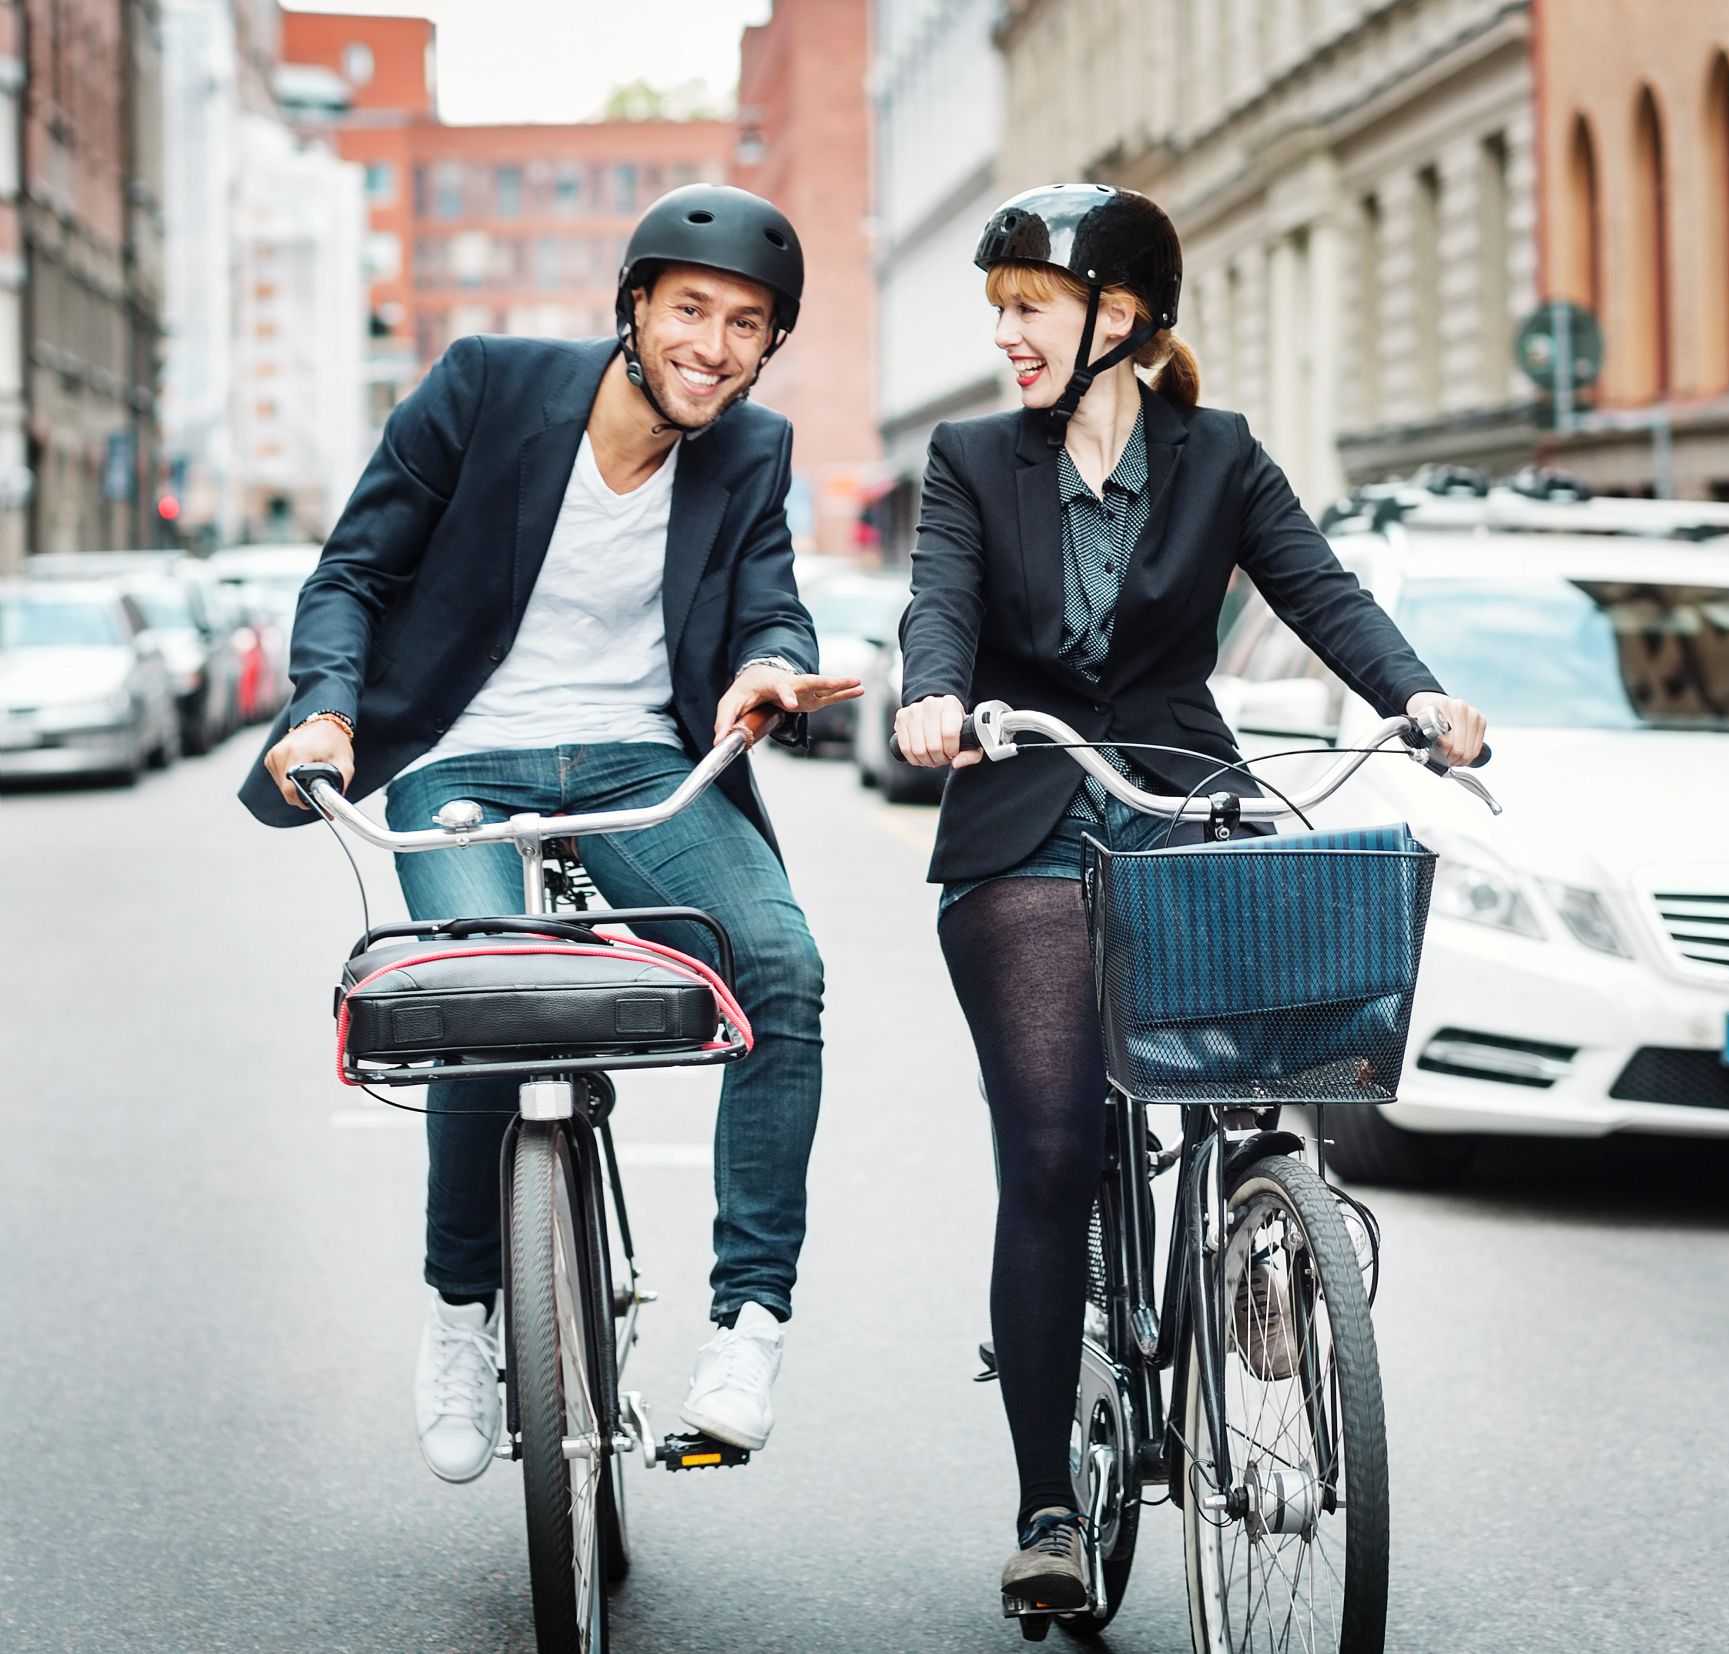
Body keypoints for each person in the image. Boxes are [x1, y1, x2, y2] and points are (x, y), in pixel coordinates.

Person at [894, 182, 1487, 1609]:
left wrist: (1419, 695)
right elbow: (940, 604)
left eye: (1029, 310)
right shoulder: (974, 460)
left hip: (1175, 789)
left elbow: (1319, 591)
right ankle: (1049, 1504)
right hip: (1024, 815)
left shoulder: (1219, 457)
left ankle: (1260, 1231)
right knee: (1050, 1151)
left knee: (1259, 1055)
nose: (1008, 337)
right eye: (1001, 313)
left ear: (1121, 318)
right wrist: (933, 699)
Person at [241, 185, 858, 1483]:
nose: (716, 344)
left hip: (639, 754)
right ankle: (462, 1304)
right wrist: (327, 713)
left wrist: (766, 672)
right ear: (633, 307)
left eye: (749, 324)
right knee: (475, 994)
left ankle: (750, 1320)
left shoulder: (752, 449)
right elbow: (353, 569)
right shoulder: (486, 388)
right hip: (460, 747)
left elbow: (769, 602)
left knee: (780, 965)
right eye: (691, 308)